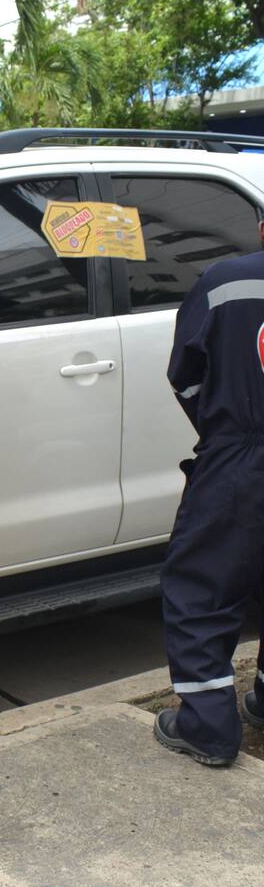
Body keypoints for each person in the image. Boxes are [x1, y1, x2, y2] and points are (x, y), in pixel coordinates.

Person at [155, 225, 264, 766]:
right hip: (242, 445)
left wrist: (224, 430)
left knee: (202, 587)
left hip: (242, 454)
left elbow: (185, 376)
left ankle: (206, 728)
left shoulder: (225, 282)